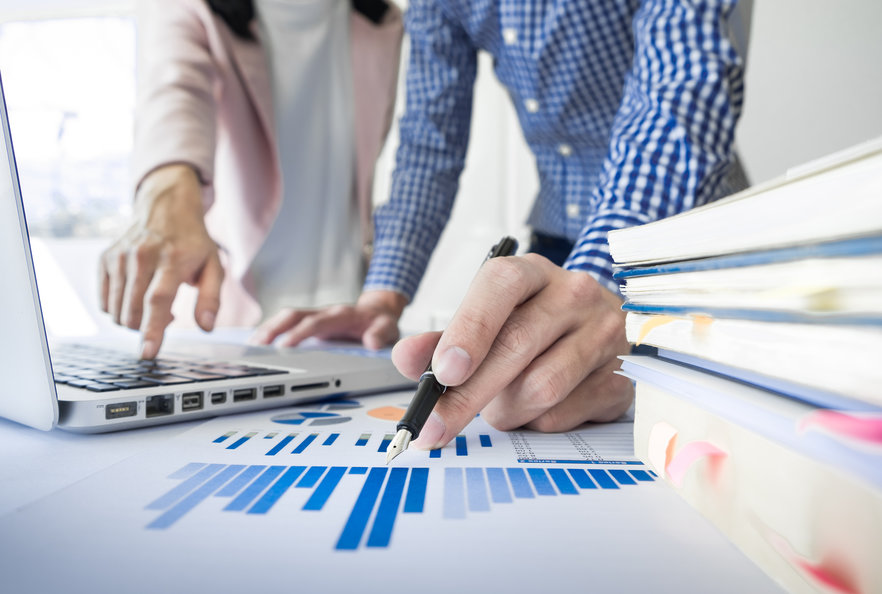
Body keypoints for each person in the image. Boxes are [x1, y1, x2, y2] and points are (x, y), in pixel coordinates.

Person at [249, 0, 753, 450]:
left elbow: (681, 90)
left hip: (686, 243)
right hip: (557, 245)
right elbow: (429, 142)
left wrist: (599, 274)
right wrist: (382, 295)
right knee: (540, 408)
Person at [98, 0, 403, 360]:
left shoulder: (383, 22)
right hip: (229, 333)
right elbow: (175, 96)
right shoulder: (190, 9)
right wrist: (166, 199)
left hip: (345, 330)